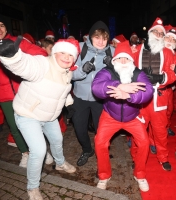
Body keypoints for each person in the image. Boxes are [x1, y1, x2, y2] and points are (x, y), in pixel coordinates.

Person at [0, 37, 78, 199]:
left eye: (71, 55)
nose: (67, 57)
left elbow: (64, 89)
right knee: (39, 151)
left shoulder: (68, 71)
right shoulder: (43, 64)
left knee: (57, 140)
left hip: (49, 115)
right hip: (28, 115)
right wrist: (13, 56)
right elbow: (25, 65)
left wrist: (68, 102)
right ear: (54, 52)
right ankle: (32, 187)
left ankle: (60, 164)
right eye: (63, 52)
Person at [0, 12, 48, 167]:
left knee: (34, 123)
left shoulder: (17, 41)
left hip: (24, 90)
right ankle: (25, 153)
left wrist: (30, 66)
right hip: (3, 93)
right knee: (14, 126)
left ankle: (40, 150)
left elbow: (41, 53)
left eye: (2, 25)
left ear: (7, 28)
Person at [92, 41, 153, 191]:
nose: (123, 61)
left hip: (132, 116)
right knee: (100, 142)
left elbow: (148, 91)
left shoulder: (138, 73)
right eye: (120, 58)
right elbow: (96, 86)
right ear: (114, 60)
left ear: (132, 60)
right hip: (110, 116)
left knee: (144, 143)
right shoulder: (107, 71)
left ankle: (140, 174)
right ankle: (104, 175)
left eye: (127, 58)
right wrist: (118, 85)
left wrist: (128, 95)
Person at [132, 17, 176, 171]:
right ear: (150, 33)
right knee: (138, 131)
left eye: (161, 33)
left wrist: (160, 78)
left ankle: (163, 157)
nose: (158, 35)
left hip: (160, 99)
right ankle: (136, 157)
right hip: (140, 99)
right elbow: (125, 68)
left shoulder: (167, 52)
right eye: (155, 32)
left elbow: (173, 74)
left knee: (160, 132)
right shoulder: (136, 50)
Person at [72, 21, 115, 166]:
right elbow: (68, 75)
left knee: (101, 131)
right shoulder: (79, 49)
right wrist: (82, 71)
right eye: (97, 37)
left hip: (101, 98)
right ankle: (87, 149)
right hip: (80, 96)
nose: (101, 41)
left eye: (104, 38)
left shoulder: (113, 52)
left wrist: (113, 67)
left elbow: (123, 76)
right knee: (79, 127)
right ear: (90, 37)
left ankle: (101, 157)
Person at [164, 25, 176, 136]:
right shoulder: (156, 51)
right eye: (168, 38)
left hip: (169, 88)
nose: (170, 41)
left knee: (169, 110)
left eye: (173, 39)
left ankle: (167, 126)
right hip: (156, 88)